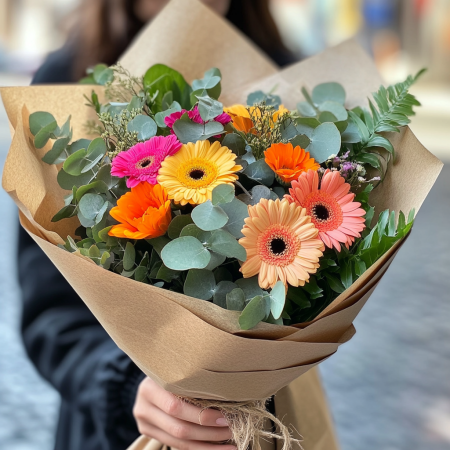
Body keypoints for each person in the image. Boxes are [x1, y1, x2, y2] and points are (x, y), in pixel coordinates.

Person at [20, 1, 294, 450]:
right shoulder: (69, 77)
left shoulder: (282, 79)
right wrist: (127, 387)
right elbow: (50, 313)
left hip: (254, 427)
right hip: (111, 431)